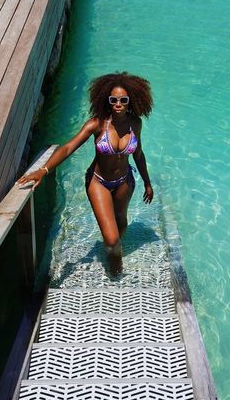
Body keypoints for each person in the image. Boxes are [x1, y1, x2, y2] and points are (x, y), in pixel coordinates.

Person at [17, 72, 154, 274]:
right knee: (113, 239)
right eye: (113, 99)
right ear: (107, 100)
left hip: (125, 181)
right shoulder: (97, 124)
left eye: (123, 100)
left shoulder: (136, 123)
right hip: (98, 182)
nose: (118, 104)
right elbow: (68, 148)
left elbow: (138, 154)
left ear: (130, 101)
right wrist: (43, 170)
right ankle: (115, 262)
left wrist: (147, 182)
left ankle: (113, 250)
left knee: (121, 222)